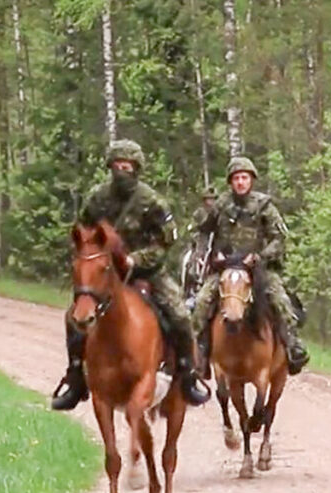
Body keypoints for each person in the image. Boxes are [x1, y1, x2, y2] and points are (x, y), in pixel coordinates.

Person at [51, 139, 211, 410]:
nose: (121, 171)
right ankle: (76, 376)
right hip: (104, 272)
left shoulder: (152, 201)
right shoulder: (97, 197)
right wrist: (91, 256)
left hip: (146, 271)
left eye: (127, 166)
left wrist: (135, 259)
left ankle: (187, 374)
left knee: (180, 314)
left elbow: (165, 241)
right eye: (117, 165)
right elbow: (82, 232)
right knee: (74, 316)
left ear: (136, 169)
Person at [192, 156, 310, 375]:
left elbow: (279, 238)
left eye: (244, 178)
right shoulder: (220, 206)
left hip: (257, 268)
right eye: (236, 178)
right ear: (230, 182)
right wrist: (207, 255)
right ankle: (199, 350)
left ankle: (292, 344)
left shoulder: (264, 206)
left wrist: (261, 256)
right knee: (201, 302)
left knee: (280, 300)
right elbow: (203, 231)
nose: (240, 182)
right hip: (225, 268)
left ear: (251, 180)